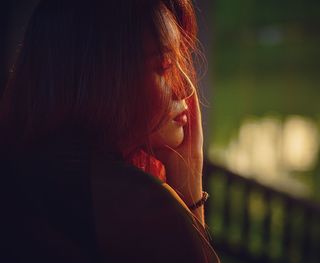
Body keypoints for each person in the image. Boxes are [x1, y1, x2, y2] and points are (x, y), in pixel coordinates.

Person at [0, 0, 220, 262]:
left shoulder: (22, 172)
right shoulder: (142, 204)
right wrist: (190, 197)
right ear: (101, 77)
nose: (185, 88)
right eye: (164, 67)